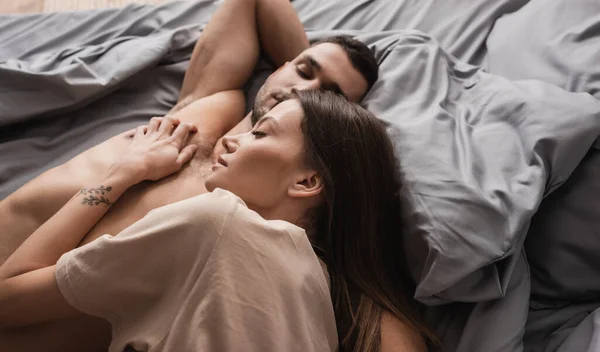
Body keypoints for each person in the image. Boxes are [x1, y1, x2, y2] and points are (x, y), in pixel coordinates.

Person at [0, 0, 431, 351]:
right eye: (303, 70)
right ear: (281, 65)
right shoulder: (206, 113)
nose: (304, 89)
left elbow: (377, 301)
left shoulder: (259, 215)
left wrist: (318, 123)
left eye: (329, 96)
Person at [0, 90, 434, 351]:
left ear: (306, 181)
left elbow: (8, 299)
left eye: (260, 133)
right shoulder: (340, 300)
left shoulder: (212, 222)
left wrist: (122, 174)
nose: (232, 137)